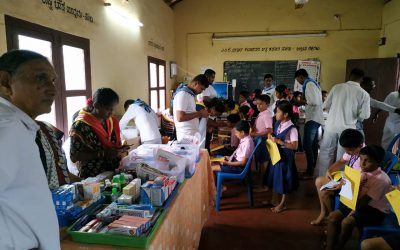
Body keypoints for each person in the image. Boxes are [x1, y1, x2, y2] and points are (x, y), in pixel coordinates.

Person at [0, 50, 60, 249]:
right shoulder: (7, 128)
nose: (52, 89)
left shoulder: (19, 125)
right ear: (6, 82)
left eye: (52, 80)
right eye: (40, 78)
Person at [326, 145, 392, 250]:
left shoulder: (382, 180)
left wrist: (356, 187)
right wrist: (344, 184)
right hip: (356, 202)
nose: (362, 163)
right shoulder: (361, 172)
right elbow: (352, 196)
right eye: (361, 159)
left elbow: (360, 204)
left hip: (374, 210)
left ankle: (339, 246)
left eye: (368, 161)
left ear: (378, 162)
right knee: (332, 218)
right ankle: (329, 247)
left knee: (347, 222)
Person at [319, 68, 370, 176]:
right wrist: (356, 114)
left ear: (349, 76)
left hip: (331, 126)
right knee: (343, 157)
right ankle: (338, 183)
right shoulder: (364, 94)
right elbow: (365, 115)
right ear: (361, 79)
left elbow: (325, 105)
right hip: (348, 130)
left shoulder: (337, 87)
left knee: (325, 154)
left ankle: (323, 180)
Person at [70, 88, 128, 178]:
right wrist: (103, 154)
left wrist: (120, 149)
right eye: (108, 109)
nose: (111, 113)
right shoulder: (80, 125)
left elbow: (111, 145)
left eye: (113, 109)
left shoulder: (110, 121)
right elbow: (74, 156)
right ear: (96, 105)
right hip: (93, 177)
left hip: (112, 173)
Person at [310, 129, 364, 226]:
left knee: (325, 193)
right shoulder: (353, 150)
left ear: (360, 145)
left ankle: (332, 219)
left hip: (354, 187)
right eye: (346, 150)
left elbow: (361, 181)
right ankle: (324, 213)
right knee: (319, 181)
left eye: (350, 150)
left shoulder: (364, 158)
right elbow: (341, 161)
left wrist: (342, 184)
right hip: (346, 180)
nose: (348, 153)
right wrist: (329, 170)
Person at [266, 100, 299, 213]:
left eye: (278, 112)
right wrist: (271, 137)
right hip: (276, 154)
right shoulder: (278, 124)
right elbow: (274, 135)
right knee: (275, 176)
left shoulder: (292, 129)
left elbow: (294, 146)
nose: (275, 114)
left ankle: (283, 203)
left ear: (285, 114)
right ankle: (274, 199)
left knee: (285, 179)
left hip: (285, 156)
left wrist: (280, 142)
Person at [295, 69, 324, 177]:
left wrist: (301, 101)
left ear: (301, 76)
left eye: (298, 80)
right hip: (314, 118)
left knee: (307, 145)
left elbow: (314, 102)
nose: (299, 82)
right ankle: (311, 169)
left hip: (313, 118)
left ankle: (310, 171)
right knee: (312, 145)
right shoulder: (311, 83)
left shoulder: (309, 84)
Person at [36, 120, 81, 189]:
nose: (59, 143)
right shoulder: (26, 132)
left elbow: (65, 174)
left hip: (63, 193)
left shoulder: (45, 127)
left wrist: (86, 182)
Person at [173, 74, 209, 142]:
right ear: (196, 83)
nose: (201, 92)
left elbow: (189, 113)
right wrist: (199, 113)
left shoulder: (189, 94)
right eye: (201, 89)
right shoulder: (183, 94)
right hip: (186, 135)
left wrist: (200, 113)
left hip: (191, 134)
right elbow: (180, 117)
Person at [251, 94, 273, 190]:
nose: (258, 106)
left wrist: (255, 135)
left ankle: (264, 185)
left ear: (267, 104)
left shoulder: (267, 115)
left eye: (261, 104)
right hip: (259, 140)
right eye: (257, 104)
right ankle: (262, 183)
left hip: (263, 141)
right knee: (260, 162)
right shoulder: (261, 113)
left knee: (263, 163)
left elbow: (269, 130)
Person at [381, 86, 400, 150]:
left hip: (399, 124)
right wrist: (376, 114)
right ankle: (384, 157)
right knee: (385, 142)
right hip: (390, 122)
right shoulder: (392, 95)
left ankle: (394, 157)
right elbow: (384, 105)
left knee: (396, 143)